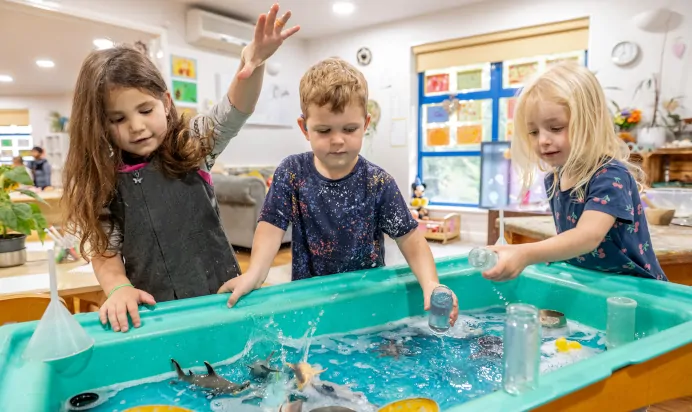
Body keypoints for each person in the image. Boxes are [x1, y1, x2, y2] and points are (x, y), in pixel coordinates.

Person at [62, 3, 300, 333]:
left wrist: (254, 64)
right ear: (100, 125)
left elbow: (234, 109)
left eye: (145, 110)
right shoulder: (104, 179)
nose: (136, 126)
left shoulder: (192, 144)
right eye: (118, 119)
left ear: (166, 102)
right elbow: (105, 251)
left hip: (224, 297)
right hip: (156, 313)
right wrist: (118, 288)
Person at [218, 57, 459, 325]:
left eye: (350, 128)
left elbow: (410, 240)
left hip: (366, 298)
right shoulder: (292, 172)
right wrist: (256, 273)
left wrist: (431, 283)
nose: (337, 140)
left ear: (365, 125)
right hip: (310, 299)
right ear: (304, 128)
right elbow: (270, 226)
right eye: (323, 130)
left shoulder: (379, 183)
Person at [483, 63, 666, 282]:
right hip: (591, 282)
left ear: (589, 122)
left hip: (635, 289)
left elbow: (587, 236)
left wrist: (524, 253)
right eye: (533, 132)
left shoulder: (610, 175)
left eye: (556, 128)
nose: (543, 140)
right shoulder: (555, 178)